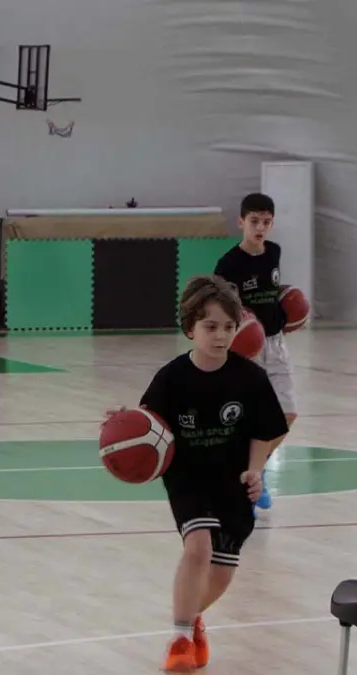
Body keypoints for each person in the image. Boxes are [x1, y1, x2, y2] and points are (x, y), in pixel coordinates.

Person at [104, 275, 288, 672]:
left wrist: (256, 471)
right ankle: (180, 639)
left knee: (221, 574)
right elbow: (148, 423)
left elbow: (266, 430)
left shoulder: (250, 378)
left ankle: (193, 619)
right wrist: (124, 421)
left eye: (228, 326)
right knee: (198, 547)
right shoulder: (172, 378)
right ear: (190, 328)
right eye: (211, 326)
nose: (221, 335)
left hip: (233, 482)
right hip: (188, 478)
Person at [213, 192, 298, 514]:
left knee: (288, 414)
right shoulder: (228, 264)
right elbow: (220, 307)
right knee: (250, 418)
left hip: (275, 343)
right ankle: (244, 485)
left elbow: (272, 292)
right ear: (241, 222)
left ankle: (255, 472)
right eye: (254, 221)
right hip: (246, 347)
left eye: (266, 222)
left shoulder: (274, 252)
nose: (260, 227)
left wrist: (291, 309)